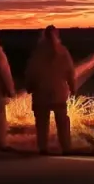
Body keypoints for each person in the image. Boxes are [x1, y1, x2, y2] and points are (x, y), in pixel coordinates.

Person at [24, 25, 75, 155]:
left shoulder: (38, 52)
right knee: (62, 122)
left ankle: (43, 148)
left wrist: (29, 86)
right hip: (58, 92)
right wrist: (72, 88)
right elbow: (70, 72)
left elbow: (31, 71)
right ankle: (66, 147)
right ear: (57, 35)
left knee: (41, 123)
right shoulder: (63, 51)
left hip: (41, 93)